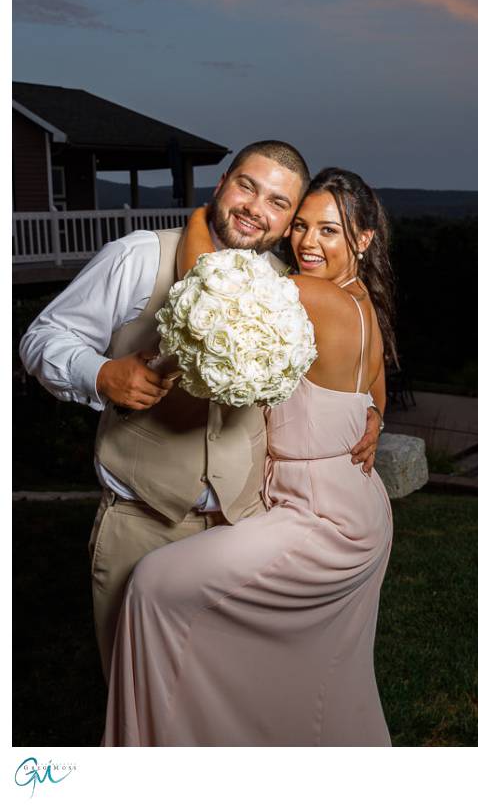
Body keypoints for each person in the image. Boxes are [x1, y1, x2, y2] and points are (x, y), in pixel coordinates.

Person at [19, 144, 383, 682]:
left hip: (250, 523)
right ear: (221, 186)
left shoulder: (287, 284)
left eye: (279, 202)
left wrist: (368, 413)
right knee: (142, 695)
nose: (256, 207)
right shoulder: (140, 255)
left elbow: (351, 351)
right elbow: (40, 338)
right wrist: (100, 374)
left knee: (229, 699)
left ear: (286, 221)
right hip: (144, 526)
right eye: (246, 186)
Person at [101, 167, 396, 746]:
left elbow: (207, 292)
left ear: (363, 240)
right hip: (357, 507)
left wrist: (196, 219)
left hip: (319, 517)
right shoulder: (361, 304)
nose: (308, 243)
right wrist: (374, 420)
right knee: (315, 677)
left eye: (330, 231)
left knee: (155, 584)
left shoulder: (316, 299)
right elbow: (375, 397)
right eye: (302, 226)